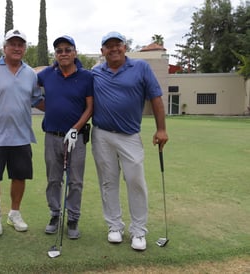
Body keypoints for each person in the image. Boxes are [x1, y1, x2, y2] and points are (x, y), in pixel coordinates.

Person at [91, 31, 169, 251]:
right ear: (102, 51)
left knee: (135, 181)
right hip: (102, 135)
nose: (114, 49)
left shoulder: (141, 68)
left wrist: (161, 129)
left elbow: (155, 97)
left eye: (118, 45)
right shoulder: (96, 72)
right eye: (109, 46)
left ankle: (138, 230)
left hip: (130, 135)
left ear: (125, 47)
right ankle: (114, 226)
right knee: (108, 182)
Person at [0, 29, 44, 236]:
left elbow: (36, 100)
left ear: (24, 49)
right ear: (4, 48)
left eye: (20, 44)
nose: (16, 47)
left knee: (19, 177)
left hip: (21, 136)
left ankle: (14, 213)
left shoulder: (30, 73)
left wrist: (63, 110)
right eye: (12, 44)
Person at [37, 35, 93, 239]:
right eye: (59, 50)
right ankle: (55, 214)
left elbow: (90, 107)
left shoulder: (86, 77)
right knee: (53, 179)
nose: (63, 53)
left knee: (75, 181)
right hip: (52, 136)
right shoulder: (48, 74)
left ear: (75, 52)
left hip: (76, 138)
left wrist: (75, 128)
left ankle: (73, 218)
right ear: (56, 55)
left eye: (67, 49)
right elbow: (27, 78)